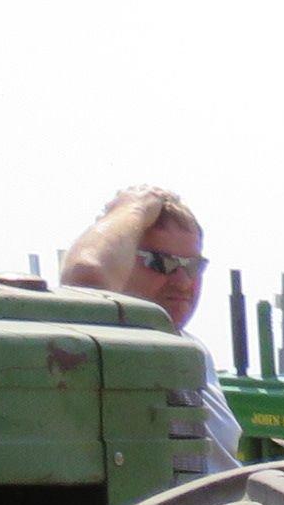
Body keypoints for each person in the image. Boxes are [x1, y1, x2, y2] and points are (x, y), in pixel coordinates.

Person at [60, 185, 240, 472]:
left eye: (192, 266)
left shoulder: (194, 351)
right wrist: (133, 206)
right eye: (160, 263)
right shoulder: (114, 342)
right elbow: (85, 278)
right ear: (120, 261)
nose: (183, 281)